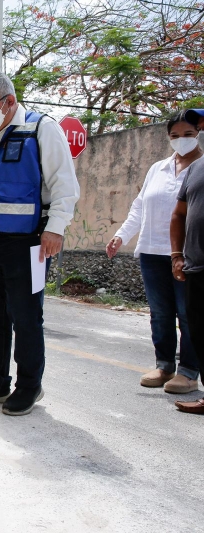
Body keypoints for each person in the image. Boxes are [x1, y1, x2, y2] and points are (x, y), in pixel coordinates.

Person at [0, 69, 80, 416]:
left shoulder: (41, 129)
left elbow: (65, 185)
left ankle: (29, 386)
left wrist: (55, 229)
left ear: (9, 101)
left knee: (25, 317)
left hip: (29, 243)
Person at [106, 112, 201, 394]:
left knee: (189, 314)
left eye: (187, 135)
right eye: (174, 136)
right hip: (151, 250)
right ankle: (164, 366)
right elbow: (139, 206)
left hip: (189, 254)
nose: (180, 141)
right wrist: (121, 235)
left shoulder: (202, 167)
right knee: (160, 313)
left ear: (199, 133)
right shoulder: (157, 168)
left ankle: (188, 371)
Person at [170, 108, 204, 414]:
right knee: (199, 330)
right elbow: (179, 214)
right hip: (197, 267)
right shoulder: (195, 169)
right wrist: (177, 255)